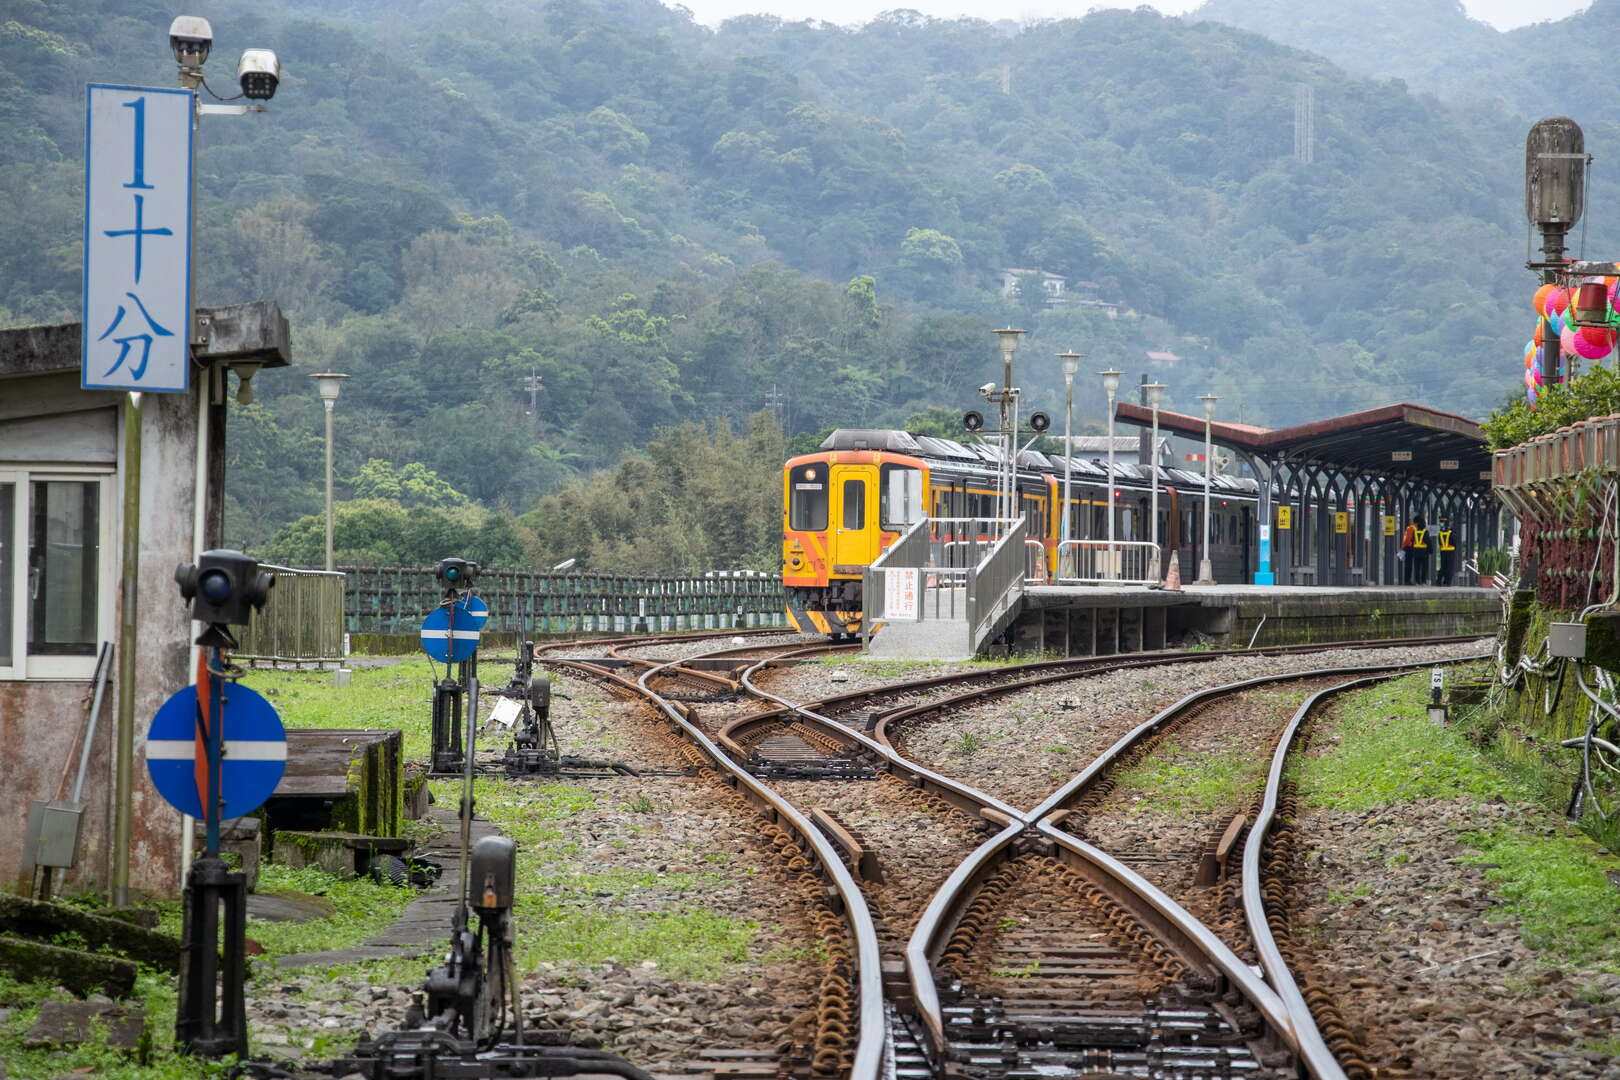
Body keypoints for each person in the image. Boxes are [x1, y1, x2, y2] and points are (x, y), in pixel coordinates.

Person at [1401, 513, 1428, 585]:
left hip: (1412, 547)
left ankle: (1409, 580)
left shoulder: (1411, 528)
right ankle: (1407, 580)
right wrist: (1405, 547)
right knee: (1409, 564)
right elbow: (1408, 539)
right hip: (1410, 548)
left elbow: (1406, 539)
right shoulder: (1412, 528)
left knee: (1411, 564)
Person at [1435, 518, 1456, 586]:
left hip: (1443, 552)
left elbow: (1440, 543)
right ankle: (1448, 582)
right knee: (1449, 568)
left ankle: (1438, 581)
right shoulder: (1452, 534)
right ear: (1449, 526)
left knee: (1443, 567)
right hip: (1450, 552)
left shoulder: (1440, 534)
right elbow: (1454, 543)